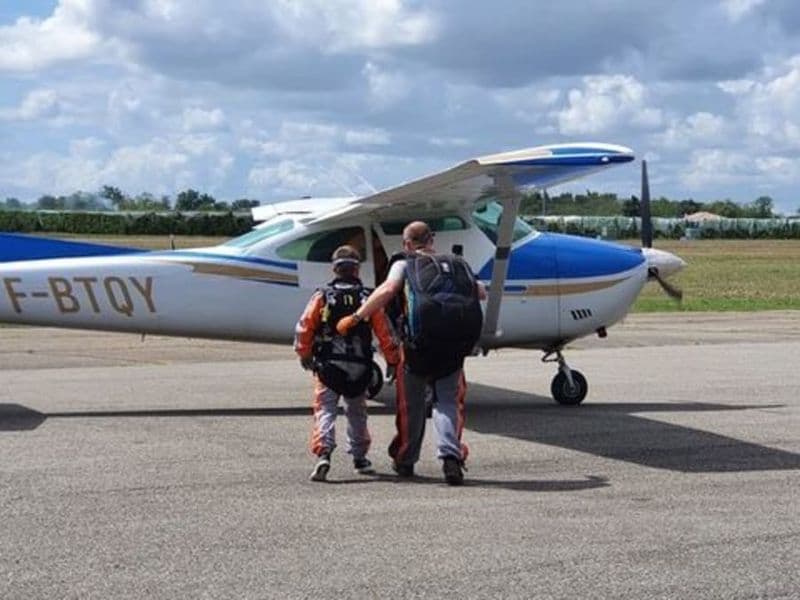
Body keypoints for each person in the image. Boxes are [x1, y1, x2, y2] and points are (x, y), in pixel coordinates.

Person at [337, 222, 486, 486]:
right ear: (432, 240)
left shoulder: (404, 262)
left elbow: (388, 290)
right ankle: (451, 456)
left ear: (407, 244)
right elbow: (481, 292)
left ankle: (405, 459)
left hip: (418, 347)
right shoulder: (457, 263)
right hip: (453, 346)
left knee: (412, 406)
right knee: (448, 402)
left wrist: (358, 315)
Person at [295, 245, 400, 482]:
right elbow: (386, 334)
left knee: (325, 409)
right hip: (360, 367)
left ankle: (323, 453)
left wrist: (304, 353)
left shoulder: (322, 296)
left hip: (329, 366)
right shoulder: (369, 299)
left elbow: (304, 327)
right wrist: (393, 361)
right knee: (357, 412)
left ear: (334, 268)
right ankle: (360, 458)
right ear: (357, 269)